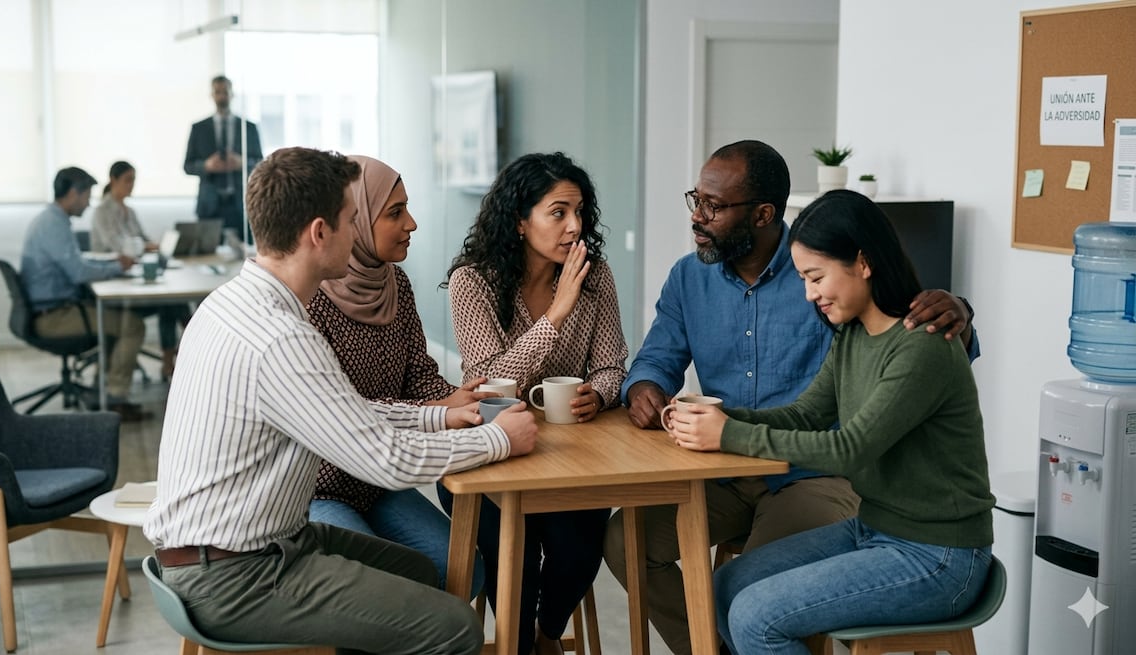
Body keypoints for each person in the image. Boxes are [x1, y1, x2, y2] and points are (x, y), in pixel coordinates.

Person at [144, 147, 538, 654]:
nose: (358, 236)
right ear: (319, 233)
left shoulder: (231, 303)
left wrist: (439, 414)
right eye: (353, 221)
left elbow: (339, 412)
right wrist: (497, 439)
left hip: (248, 547)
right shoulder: (282, 338)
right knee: (456, 625)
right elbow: (388, 460)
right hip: (237, 574)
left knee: (424, 571)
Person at [601, 140, 977, 655]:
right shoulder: (703, 281)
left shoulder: (881, 323)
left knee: (757, 607)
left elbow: (855, 438)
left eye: (714, 205)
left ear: (763, 214)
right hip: (738, 473)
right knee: (650, 551)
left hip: (822, 483)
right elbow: (802, 410)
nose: (698, 216)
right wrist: (677, 402)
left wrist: (961, 309)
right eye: (697, 200)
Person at [439, 152, 629, 655]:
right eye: (559, 212)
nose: (575, 226)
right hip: (490, 455)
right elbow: (491, 386)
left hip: (571, 456)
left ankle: (548, 637)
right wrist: (557, 315)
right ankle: (519, 644)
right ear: (521, 222)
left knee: (579, 546)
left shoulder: (596, 276)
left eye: (580, 212)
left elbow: (612, 366)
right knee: (512, 555)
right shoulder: (472, 282)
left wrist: (600, 393)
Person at [306, 154, 492, 594]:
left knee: (464, 568)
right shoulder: (311, 301)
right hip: (319, 487)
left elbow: (419, 375)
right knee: (375, 587)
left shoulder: (396, 284)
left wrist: (460, 397)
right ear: (354, 220)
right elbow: (344, 413)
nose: (411, 224)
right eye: (395, 212)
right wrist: (437, 411)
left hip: (378, 482)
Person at [19, 166, 148, 422]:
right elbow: (78, 272)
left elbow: (77, 261)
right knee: (132, 326)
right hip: (53, 316)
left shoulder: (52, 219)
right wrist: (115, 267)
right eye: (87, 195)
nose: (89, 202)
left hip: (54, 308)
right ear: (73, 194)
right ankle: (115, 400)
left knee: (115, 320)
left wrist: (111, 264)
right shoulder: (53, 224)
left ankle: (105, 389)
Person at [90, 160, 191, 380]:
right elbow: (117, 245)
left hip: (134, 277)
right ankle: (189, 345)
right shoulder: (102, 211)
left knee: (173, 302)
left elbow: (141, 240)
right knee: (172, 304)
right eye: (127, 180)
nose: (131, 184)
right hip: (114, 283)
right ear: (113, 180)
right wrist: (146, 246)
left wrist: (157, 244)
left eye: (134, 180)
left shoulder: (130, 211)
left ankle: (172, 362)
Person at [184, 75, 263, 241]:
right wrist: (207, 165)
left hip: (240, 204)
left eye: (225, 91)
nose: (222, 96)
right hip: (209, 204)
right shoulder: (198, 128)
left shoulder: (248, 127)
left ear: (232, 94)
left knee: (246, 254)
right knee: (207, 254)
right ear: (212, 95)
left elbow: (261, 163)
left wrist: (242, 163)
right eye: (217, 92)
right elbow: (188, 165)